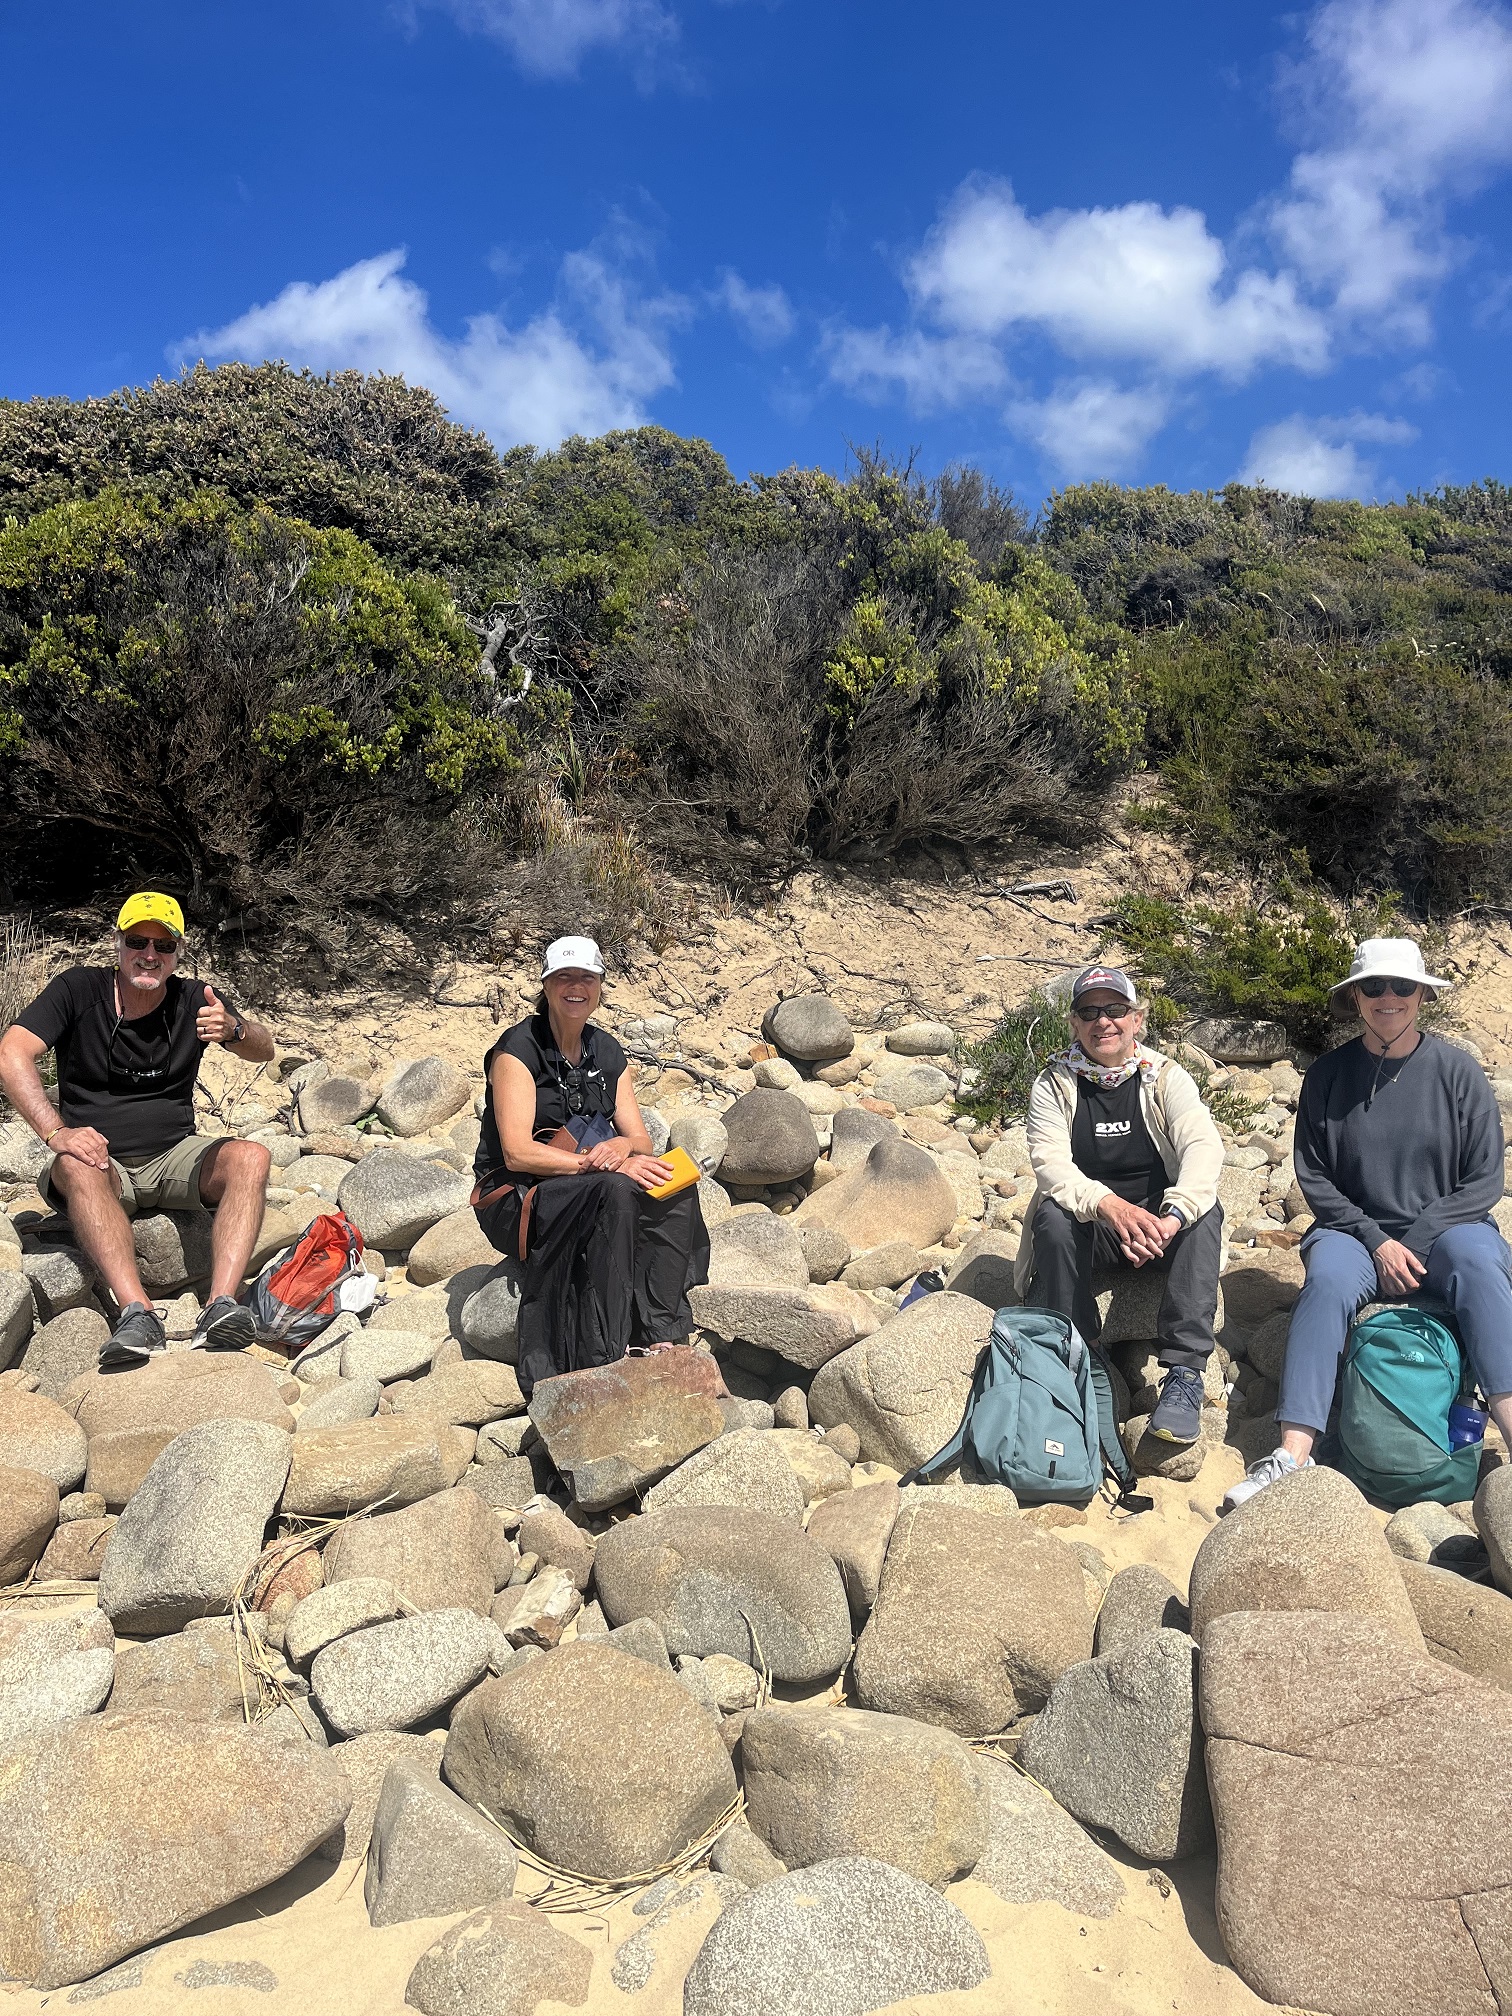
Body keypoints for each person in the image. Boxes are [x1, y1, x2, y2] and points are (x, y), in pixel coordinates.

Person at [1224, 937, 1512, 1510]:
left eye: (1402, 986)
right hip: (1352, 1233)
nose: (1389, 998)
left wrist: (1418, 1240)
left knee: (1481, 1262)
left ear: (1422, 996)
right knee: (1327, 1282)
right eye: (1374, 986)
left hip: (1446, 1232)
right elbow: (1315, 1178)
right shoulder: (1328, 1075)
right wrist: (1378, 1241)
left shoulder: (1459, 1073)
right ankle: (1292, 1453)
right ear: (1355, 996)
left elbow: (1482, 1182)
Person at [0, 893, 276, 1367]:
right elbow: (11, 1054)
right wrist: (56, 1132)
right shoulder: (76, 990)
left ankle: (221, 1305)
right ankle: (137, 1312)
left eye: (163, 945)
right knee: (76, 1163)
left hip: (175, 1154)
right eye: (137, 941)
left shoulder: (195, 998)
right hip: (100, 1163)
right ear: (118, 944)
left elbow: (265, 1049)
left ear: (177, 952)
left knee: (252, 1156)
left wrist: (235, 1030)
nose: (150, 954)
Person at [473, 935, 710, 1399]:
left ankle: (662, 1330)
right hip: (519, 1198)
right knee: (616, 1191)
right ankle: (604, 1349)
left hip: (589, 1180)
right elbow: (518, 1152)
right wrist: (597, 1167)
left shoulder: (606, 1050)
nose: (575, 987)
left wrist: (622, 1146)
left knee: (673, 1184)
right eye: (563, 977)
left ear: (600, 984)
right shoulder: (516, 1051)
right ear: (546, 985)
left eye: (586, 977)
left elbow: (639, 1139)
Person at [1018, 964, 1226, 1444]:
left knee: (1205, 1213)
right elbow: (1051, 1166)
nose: (1103, 1021)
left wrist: (1172, 1217)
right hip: (1098, 1227)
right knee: (1053, 1215)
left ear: (1137, 1019)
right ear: (1074, 1024)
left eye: (1116, 1009)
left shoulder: (1165, 1078)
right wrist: (1110, 1207)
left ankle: (1184, 1374)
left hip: (1160, 1226)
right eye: (1089, 1012)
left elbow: (1203, 1146)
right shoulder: (1055, 1084)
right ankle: (1082, 1355)